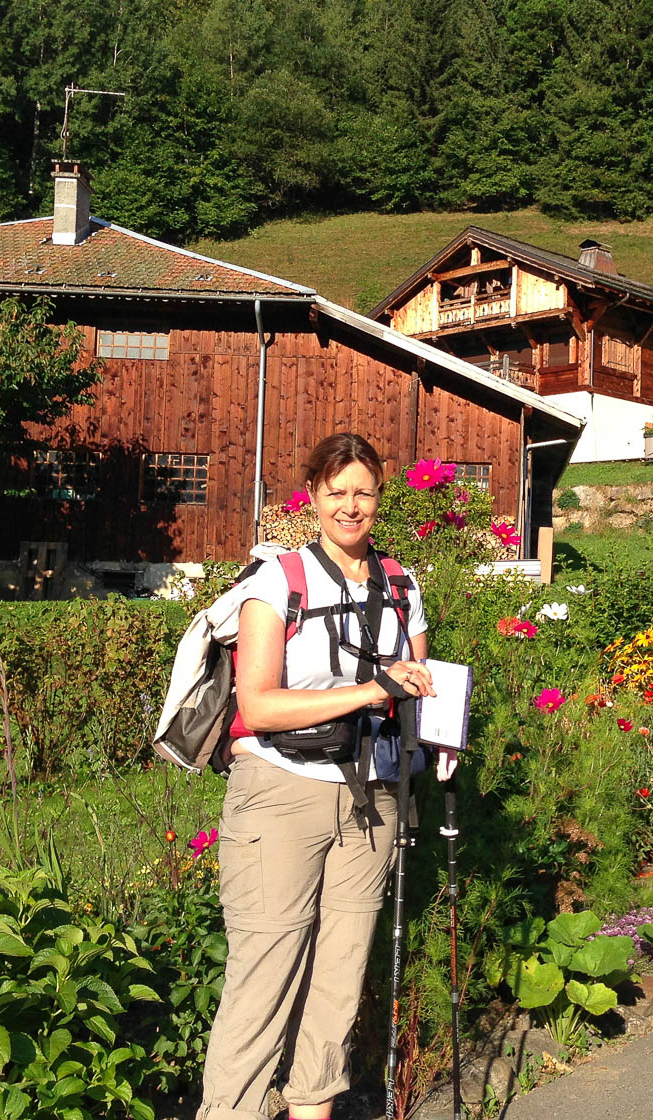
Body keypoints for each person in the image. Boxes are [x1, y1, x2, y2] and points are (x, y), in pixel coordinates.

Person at [196, 432, 453, 1120]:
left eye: (363, 492)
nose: (350, 506)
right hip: (281, 791)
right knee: (263, 978)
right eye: (336, 491)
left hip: (373, 796)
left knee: (339, 981)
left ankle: (313, 1109)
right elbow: (258, 704)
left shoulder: (401, 584)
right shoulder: (275, 581)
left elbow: (420, 682)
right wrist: (372, 690)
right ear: (312, 496)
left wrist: (440, 735)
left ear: (380, 496)